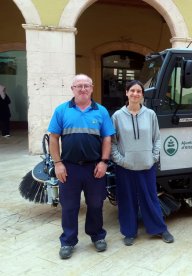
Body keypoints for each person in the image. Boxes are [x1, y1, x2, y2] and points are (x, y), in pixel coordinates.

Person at [48, 74, 115, 259]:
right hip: (68, 168)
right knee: (69, 206)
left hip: (94, 168)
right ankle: (68, 241)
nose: (83, 89)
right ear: (73, 89)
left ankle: (97, 236)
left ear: (92, 88)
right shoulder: (61, 110)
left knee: (95, 204)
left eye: (86, 85)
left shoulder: (101, 111)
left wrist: (103, 162)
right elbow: (53, 138)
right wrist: (58, 163)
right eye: (79, 86)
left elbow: (107, 138)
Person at [111, 80, 174, 246]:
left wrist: (153, 157)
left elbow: (157, 138)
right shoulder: (117, 116)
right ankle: (129, 232)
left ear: (142, 95)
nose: (135, 94)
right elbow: (112, 142)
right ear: (126, 93)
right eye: (132, 90)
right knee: (127, 200)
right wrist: (120, 160)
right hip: (125, 167)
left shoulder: (150, 114)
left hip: (147, 166)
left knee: (150, 198)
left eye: (139, 91)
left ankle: (159, 228)